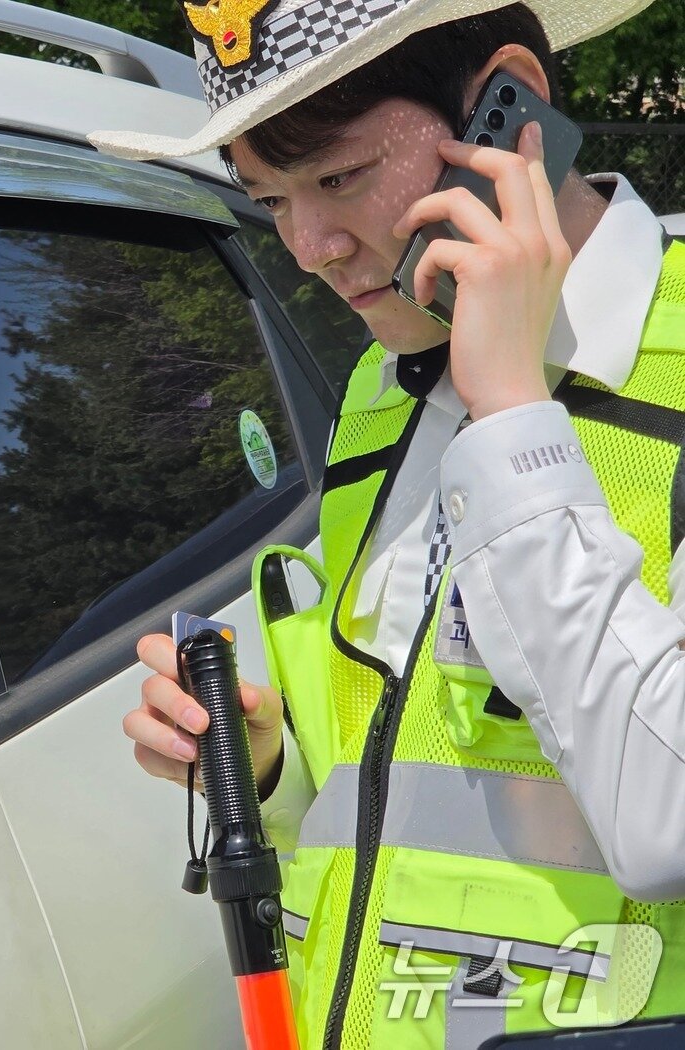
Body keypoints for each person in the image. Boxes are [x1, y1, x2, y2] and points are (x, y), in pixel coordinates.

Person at [96, 0, 685, 1046]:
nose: (309, 247)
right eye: (266, 198)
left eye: (337, 178)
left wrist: (511, 413)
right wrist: (268, 768)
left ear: (512, 110)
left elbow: (663, 823)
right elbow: (402, 780)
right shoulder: (383, 385)